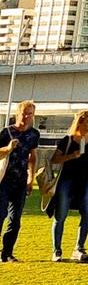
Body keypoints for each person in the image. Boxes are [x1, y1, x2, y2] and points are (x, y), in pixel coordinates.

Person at [48, 109, 88, 263]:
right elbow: (54, 159)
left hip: (86, 180)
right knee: (60, 215)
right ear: (80, 122)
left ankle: (79, 247)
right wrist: (71, 156)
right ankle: (57, 250)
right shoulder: (67, 140)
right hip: (67, 180)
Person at [0, 99, 42, 263]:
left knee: (15, 219)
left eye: (30, 114)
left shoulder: (34, 134)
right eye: (24, 113)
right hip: (4, 180)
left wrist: (31, 178)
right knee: (1, 214)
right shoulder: (6, 132)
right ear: (18, 113)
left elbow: (33, 157)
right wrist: (8, 148)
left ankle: (7, 253)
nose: (27, 116)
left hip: (21, 181)